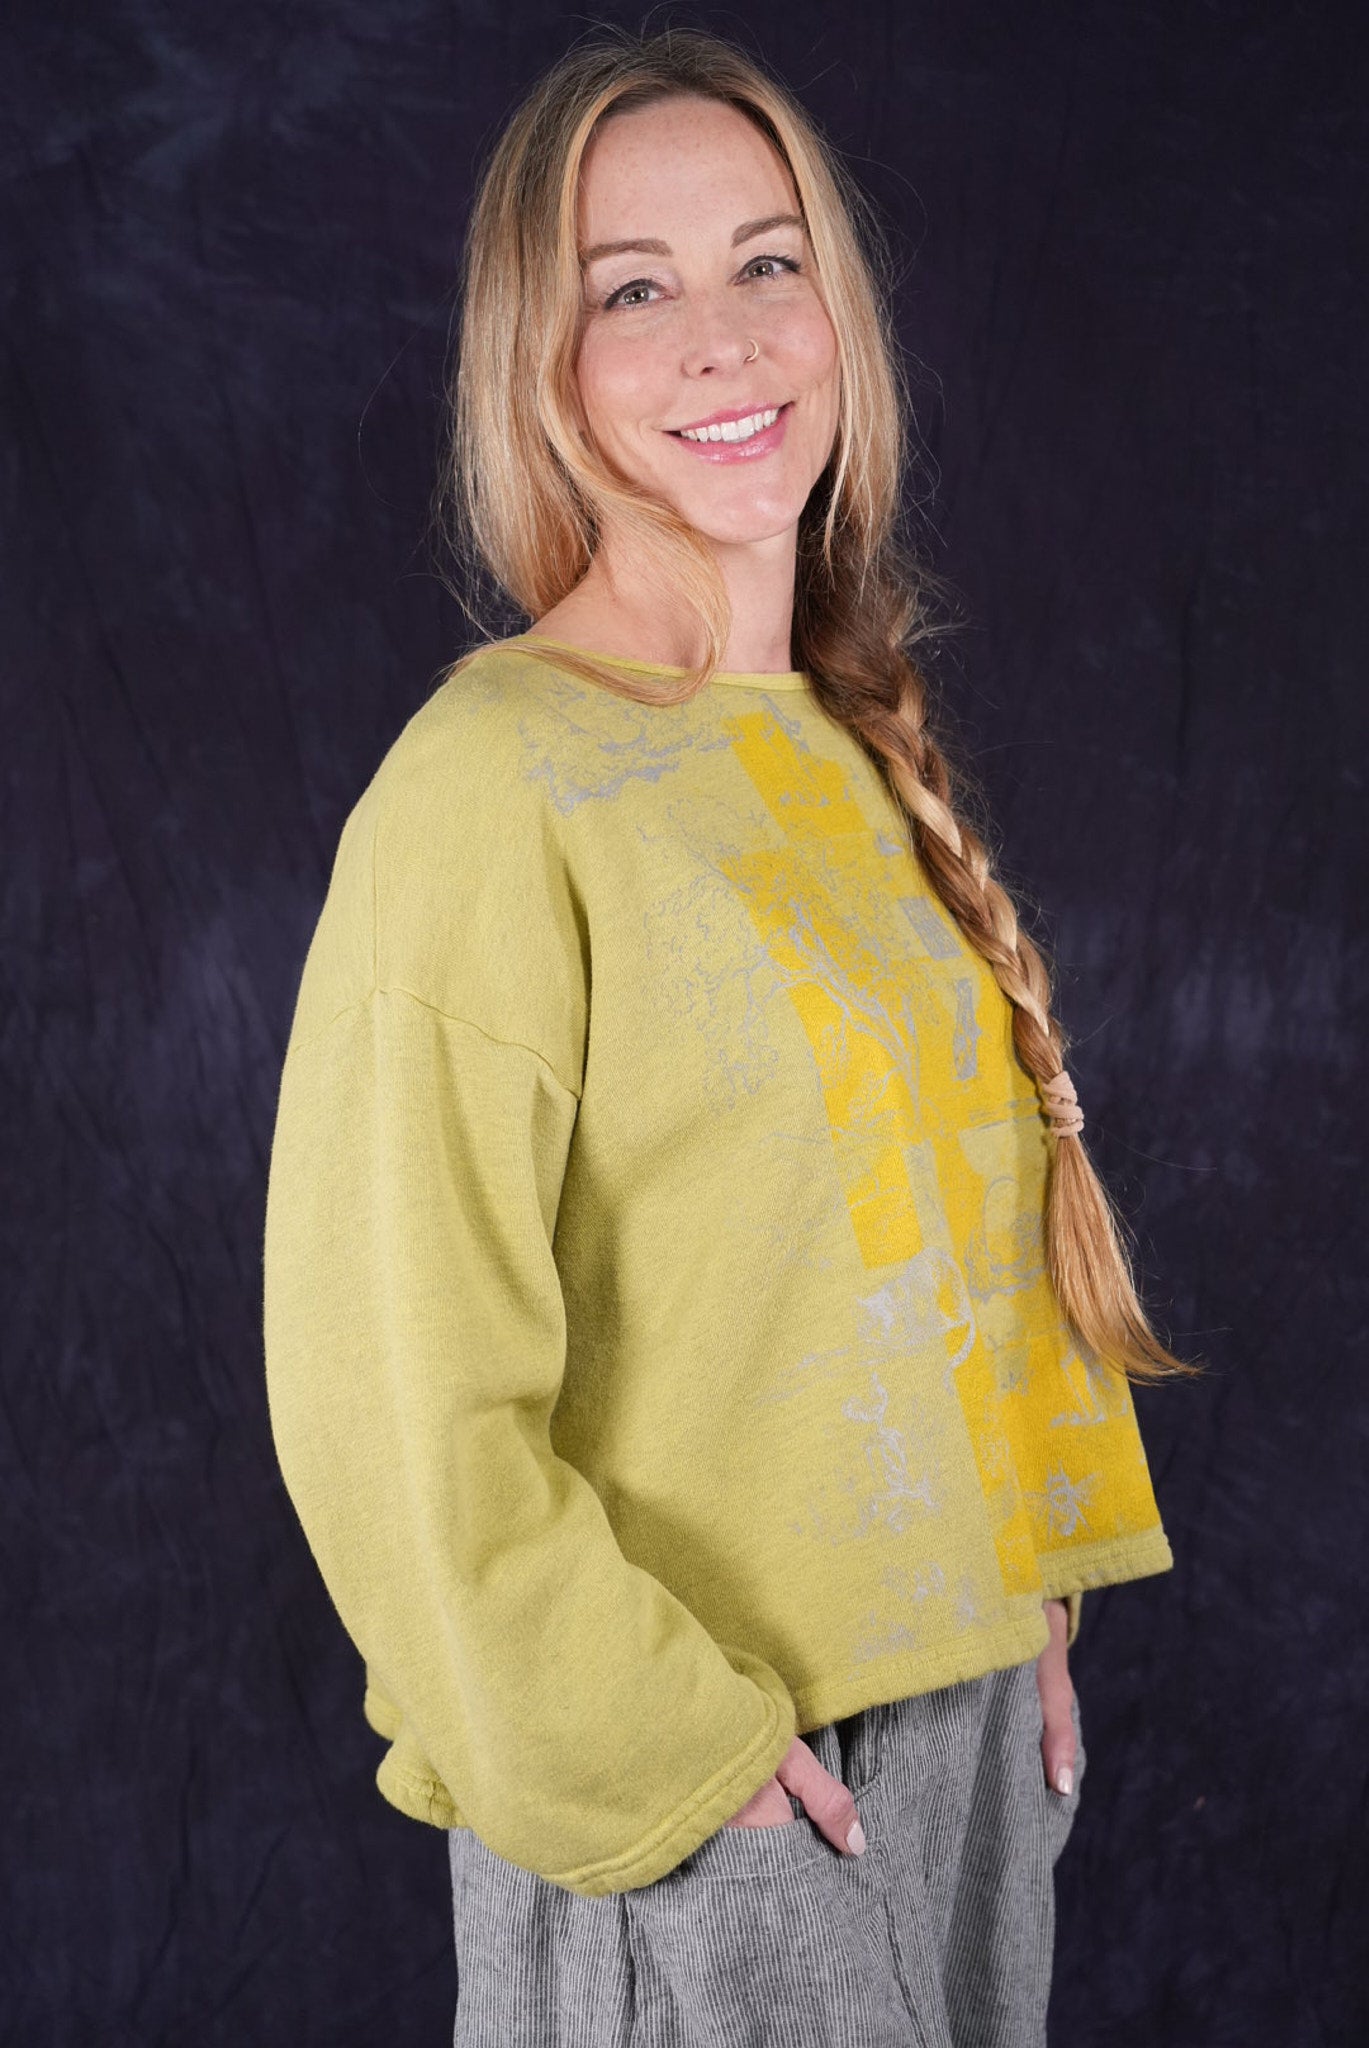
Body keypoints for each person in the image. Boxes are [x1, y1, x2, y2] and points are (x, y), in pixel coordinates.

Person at [262, 23, 1203, 2046]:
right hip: (699, 1786)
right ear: (542, 366)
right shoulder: (491, 785)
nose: (721, 339)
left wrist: (1021, 1593)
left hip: (952, 1747)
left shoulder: (839, 753)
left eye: (767, 263)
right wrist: (674, 1765)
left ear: (838, 312)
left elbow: (913, 1235)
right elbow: (392, 1400)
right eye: (633, 291)